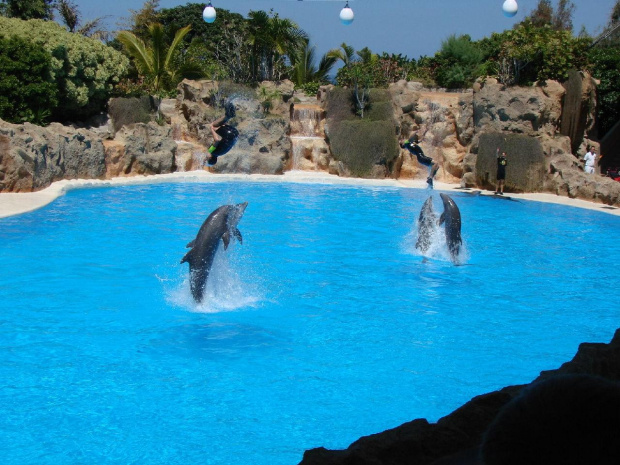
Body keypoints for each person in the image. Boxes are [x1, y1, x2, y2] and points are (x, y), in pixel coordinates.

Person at [204, 102, 238, 166]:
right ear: (210, 157)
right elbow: (217, 140)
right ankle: (228, 115)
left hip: (235, 134)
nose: (205, 157)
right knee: (213, 125)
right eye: (206, 159)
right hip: (229, 135)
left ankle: (228, 116)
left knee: (219, 125)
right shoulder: (211, 151)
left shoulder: (220, 153)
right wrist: (212, 129)